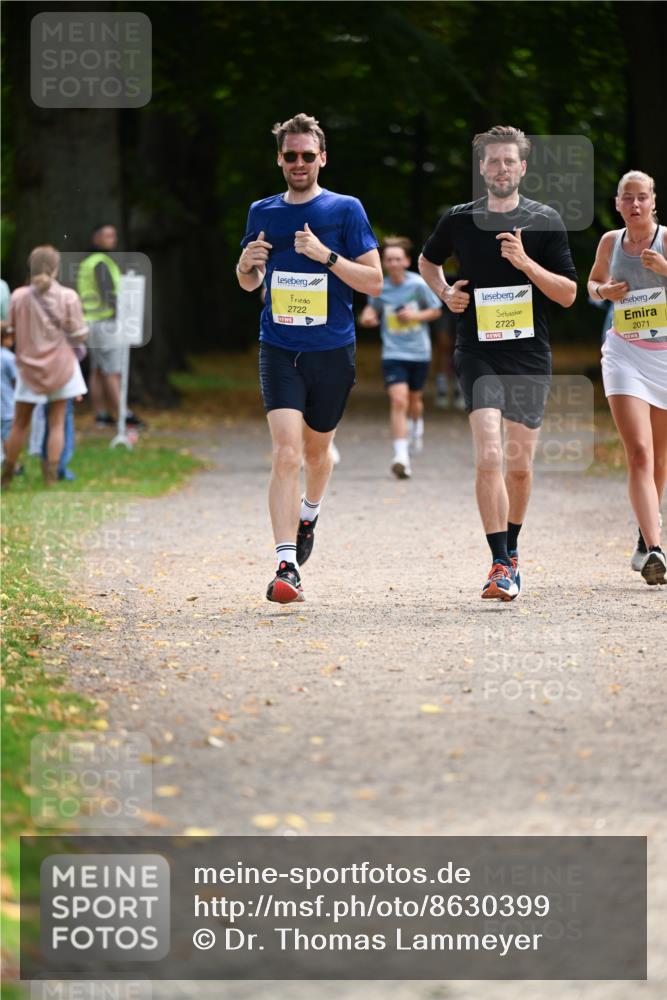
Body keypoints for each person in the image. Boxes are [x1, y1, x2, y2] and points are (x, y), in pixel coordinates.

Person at [419, 125, 577, 601]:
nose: (501, 168)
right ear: (481, 168)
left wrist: (527, 263)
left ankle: (513, 549)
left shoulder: (545, 219)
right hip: (478, 350)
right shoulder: (459, 219)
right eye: (493, 161)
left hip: (529, 354)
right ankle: (498, 562)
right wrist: (445, 293)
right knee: (488, 452)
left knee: (519, 466)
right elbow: (428, 263)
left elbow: (568, 294)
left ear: (522, 167)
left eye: (510, 161)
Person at [237, 112, 382, 603]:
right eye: (290, 155)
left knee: (318, 454)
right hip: (279, 346)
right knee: (285, 451)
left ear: (322, 158)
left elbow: (374, 282)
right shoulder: (263, 211)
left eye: (307, 155)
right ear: (280, 159)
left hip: (332, 350)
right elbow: (250, 281)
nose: (298, 163)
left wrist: (325, 256)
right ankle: (285, 565)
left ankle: (310, 513)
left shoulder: (346, 210)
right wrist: (245, 268)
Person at [588, 170, 667, 585]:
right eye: (627, 198)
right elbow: (591, 283)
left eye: (642, 198)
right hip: (623, 352)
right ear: (618, 203)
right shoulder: (609, 242)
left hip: (665, 357)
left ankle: (644, 532)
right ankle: (655, 549)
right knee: (638, 451)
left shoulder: (665, 240)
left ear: (654, 201)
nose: (634, 205)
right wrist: (604, 292)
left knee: (659, 457)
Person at [1, 246, 88, 487]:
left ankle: (7, 474)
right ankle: (50, 477)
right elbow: (79, 335)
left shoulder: (18, 296)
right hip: (62, 367)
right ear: (56, 269)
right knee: (57, 421)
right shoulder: (68, 297)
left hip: (28, 368)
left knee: (19, 423)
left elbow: (11, 331)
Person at [359, 236, 442, 478]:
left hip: (419, 352)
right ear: (384, 263)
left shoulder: (418, 285)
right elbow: (371, 308)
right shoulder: (380, 287)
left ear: (406, 261)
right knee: (398, 400)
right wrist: (367, 317)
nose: (393, 263)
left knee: (414, 400)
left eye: (397, 259)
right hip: (393, 352)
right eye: (389, 260)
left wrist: (415, 316)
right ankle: (401, 456)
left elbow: (436, 310)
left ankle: (417, 426)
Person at [76, 223, 144, 429]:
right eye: (107, 235)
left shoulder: (87, 262)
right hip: (107, 323)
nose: (112, 239)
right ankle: (124, 414)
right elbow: (108, 293)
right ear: (96, 238)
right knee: (112, 371)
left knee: (97, 369)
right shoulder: (101, 262)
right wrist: (121, 314)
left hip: (92, 322)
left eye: (114, 235)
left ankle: (101, 415)